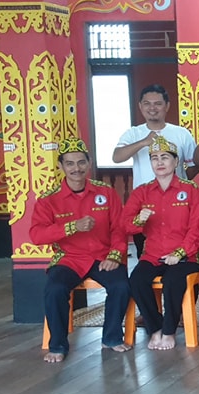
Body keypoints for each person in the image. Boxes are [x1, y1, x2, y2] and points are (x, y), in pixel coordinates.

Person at [30, 138, 131, 363]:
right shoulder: (49, 200)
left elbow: (119, 228)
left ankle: (111, 337)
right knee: (55, 290)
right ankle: (57, 345)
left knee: (121, 286)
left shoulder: (106, 192)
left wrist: (115, 255)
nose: (76, 168)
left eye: (81, 162)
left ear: (89, 162)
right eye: (70, 163)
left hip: (103, 256)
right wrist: (70, 227)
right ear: (61, 166)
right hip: (69, 259)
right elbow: (36, 235)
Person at [125, 136, 199, 350]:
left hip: (186, 256)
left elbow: (197, 228)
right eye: (155, 158)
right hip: (153, 254)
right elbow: (126, 225)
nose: (159, 162)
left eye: (165, 157)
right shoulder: (142, 192)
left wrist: (179, 253)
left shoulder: (190, 190)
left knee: (173, 280)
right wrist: (138, 220)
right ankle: (155, 329)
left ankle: (169, 331)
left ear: (176, 161)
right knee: (137, 280)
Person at [114, 84, 198, 257]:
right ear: (140, 106)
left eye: (158, 103)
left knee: (181, 252)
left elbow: (194, 165)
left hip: (178, 202)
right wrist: (143, 142)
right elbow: (117, 157)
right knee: (145, 255)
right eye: (147, 103)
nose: (152, 108)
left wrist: (180, 181)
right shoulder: (133, 133)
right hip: (144, 202)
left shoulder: (181, 133)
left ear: (167, 106)